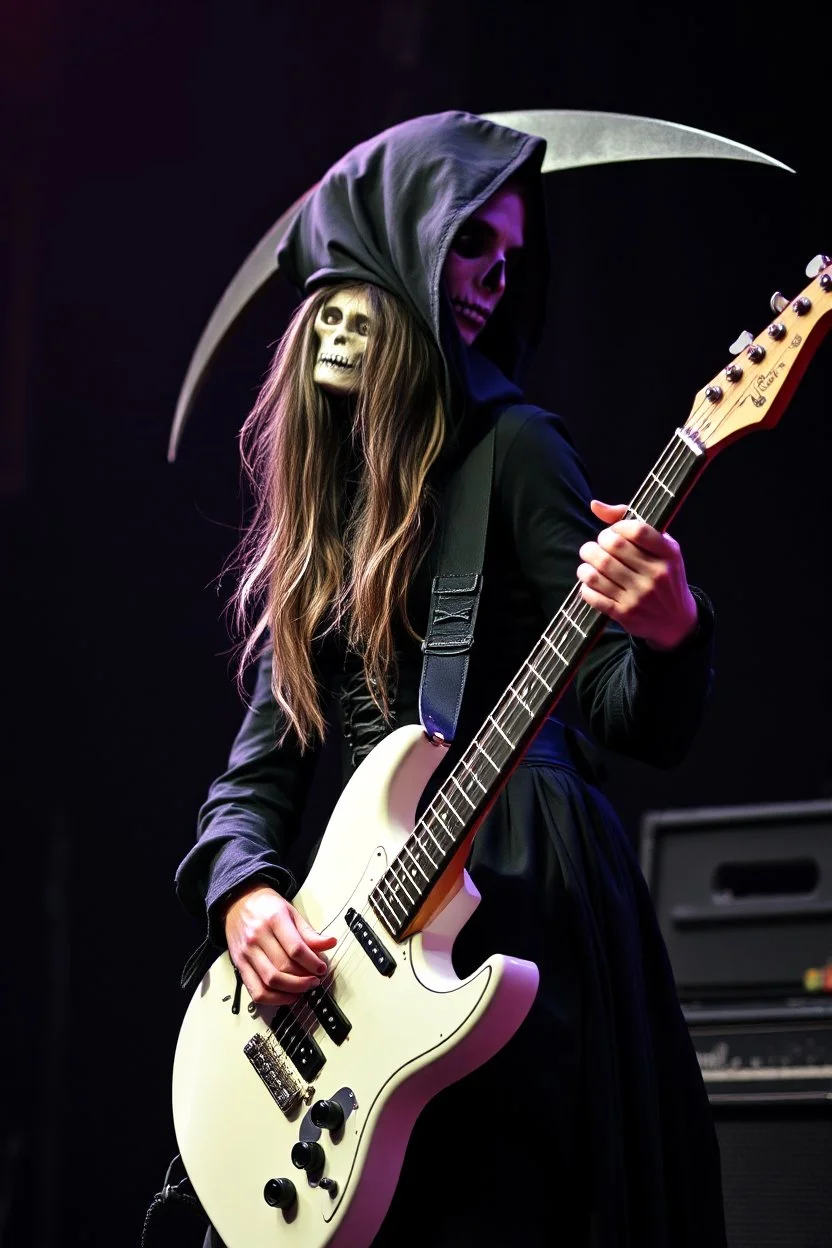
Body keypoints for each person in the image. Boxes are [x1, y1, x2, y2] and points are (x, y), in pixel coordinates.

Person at [174, 110, 726, 1247]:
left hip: (526, 892)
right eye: (474, 242)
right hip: (366, 926)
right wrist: (245, 895)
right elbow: (261, 766)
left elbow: (627, 710)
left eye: (511, 257)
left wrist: (668, 625)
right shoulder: (324, 496)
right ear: (401, 239)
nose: (493, 277)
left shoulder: (514, 448)